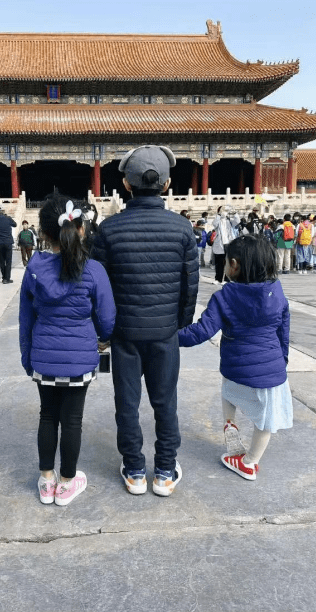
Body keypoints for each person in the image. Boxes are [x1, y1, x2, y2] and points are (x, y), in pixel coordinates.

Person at [92, 145, 199, 497]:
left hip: (124, 334)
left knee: (127, 403)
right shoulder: (183, 229)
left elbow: (100, 289)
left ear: (126, 184)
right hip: (164, 332)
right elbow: (189, 287)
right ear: (166, 185)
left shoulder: (108, 229)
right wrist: (177, 324)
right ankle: (165, 471)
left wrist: (104, 332)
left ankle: (135, 470)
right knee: (165, 402)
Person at [20, 193, 116, 506]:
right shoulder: (94, 271)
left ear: (44, 234)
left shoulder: (33, 269)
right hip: (79, 360)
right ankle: (66, 482)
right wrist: (101, 339)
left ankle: (46, 481)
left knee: (47, 416)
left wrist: (28, 359)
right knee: (72, 421)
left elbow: (26, 320)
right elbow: (107, 320)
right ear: (83, 230)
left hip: (44, 359)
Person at [179, 235, 292, 481]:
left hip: (235, 366)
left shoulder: (226, 295)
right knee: (266, 420)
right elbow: (284, 330)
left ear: (235, 264)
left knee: (228, 391)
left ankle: (230, 423)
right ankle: (250, 462)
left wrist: (169, 336)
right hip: (271, 367)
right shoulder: (277, 291)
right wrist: (282, 360)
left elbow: (202, 332)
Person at [212, 206, 240, 284]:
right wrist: (219, 215)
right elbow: (214, 224)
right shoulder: (218, 220)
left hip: (228, 243)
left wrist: (235, 213)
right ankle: (218, 279)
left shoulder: (229, 220)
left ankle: (227, 279)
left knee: (228, 262)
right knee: (219, 263)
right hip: (220, 244)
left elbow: (237, 221)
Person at [0, 206, 17, 283]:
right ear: (4, 211)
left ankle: (4, 278)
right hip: (8, 241)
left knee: (1, 261)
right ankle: (7, 278)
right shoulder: (8, 218)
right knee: (8, 261)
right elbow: (15, 224)